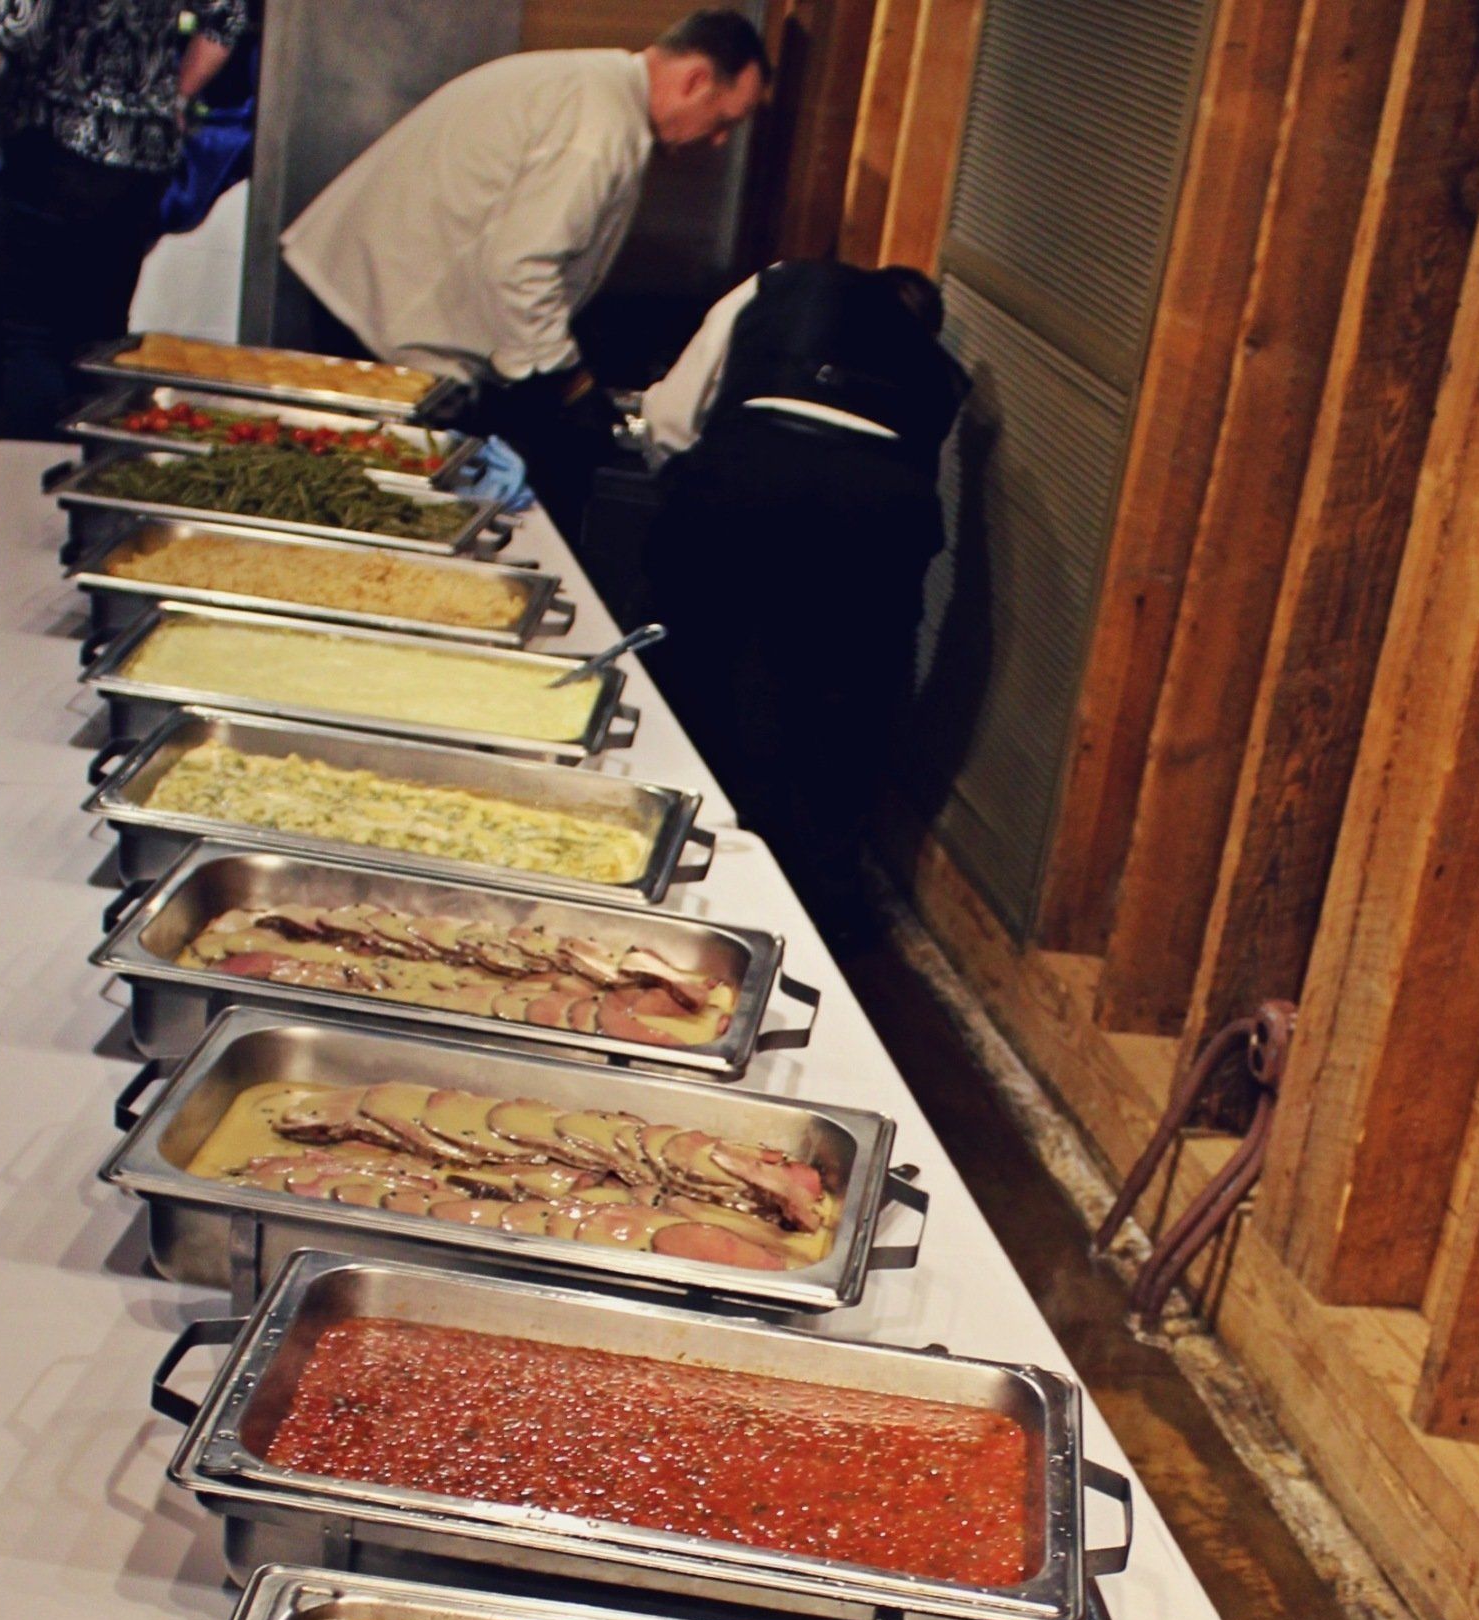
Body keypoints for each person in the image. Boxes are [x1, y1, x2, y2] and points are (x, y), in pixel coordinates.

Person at [281, 12, 769, 534]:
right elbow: (522, 268)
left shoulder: (594, 89)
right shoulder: (598, 126)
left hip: (372, 293)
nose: (719, 141)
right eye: (724, 121)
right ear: (694, 80)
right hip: (377, 313)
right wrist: (565, 380)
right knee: (353, 516)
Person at [639, 258, 967, 953]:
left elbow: (667, 416)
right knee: (839, 718)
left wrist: (686, 486)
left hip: (744, 478)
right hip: (876, 521)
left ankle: (669, 872)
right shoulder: (937, 377)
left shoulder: (783, 282)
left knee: (695, 685)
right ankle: (812, 925)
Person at [0, 0, 249, 436]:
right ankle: (92, 468)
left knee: (33, 336)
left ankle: (33, 481)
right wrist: (177, 93)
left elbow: (16, 28)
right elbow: (228, 15)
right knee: (101, 334)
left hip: (53, 147)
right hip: (139, 160)